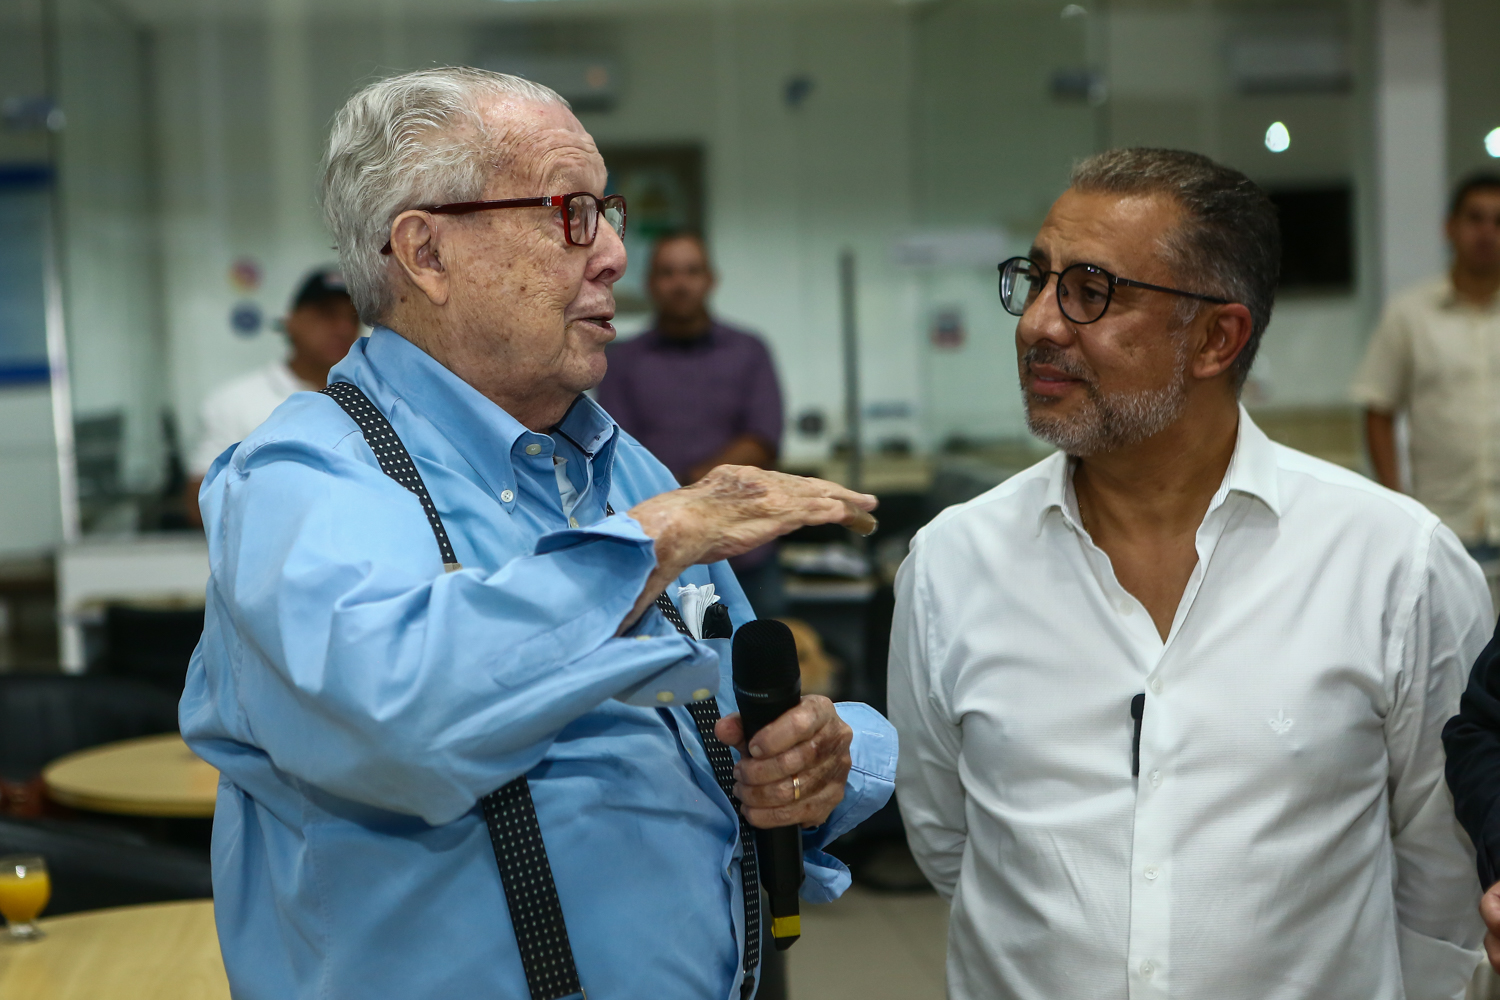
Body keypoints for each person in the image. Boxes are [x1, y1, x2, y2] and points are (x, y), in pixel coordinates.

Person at [179, 67, 895, 1000]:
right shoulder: (304, 473)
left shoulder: (624, 470)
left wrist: (814, 757)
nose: (614, 256)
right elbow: (398, 716)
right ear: (427, 253)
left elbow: (737, 710)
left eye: (608, 213)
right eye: (571, 213)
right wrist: (656, 539)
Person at [888, 148, 1487, 1000]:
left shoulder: (1395, 563)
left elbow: (1441, 878)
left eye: (1090, 290)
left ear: (1216, 338)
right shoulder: (954, 563)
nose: (1039, 325)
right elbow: (949, 840)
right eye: (1039, 278)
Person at [597, 233, 787, 617]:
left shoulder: (749, 351)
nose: (680, 283)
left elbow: (763, 439)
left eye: (691, 271)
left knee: (763, 652)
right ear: (650, 283)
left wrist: (688, 488)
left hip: (746, 552)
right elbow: (617, 451)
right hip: (658, 554)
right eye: (667, 273)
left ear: (710, 279)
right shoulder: (620, 362)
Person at [1353, 173, 1500, 561]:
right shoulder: (1409, 314)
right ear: (1450, 228)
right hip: (1443, 528)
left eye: (1498, 222)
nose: (1487, 232)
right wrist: (1397, 503)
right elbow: (1378, 407)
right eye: (1475, 218)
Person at [183, 267, 362, 526]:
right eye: (326, 314)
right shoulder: (234, 402)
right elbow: (199, 502)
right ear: (291, 322)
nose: (343, 328)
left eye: (353, 318)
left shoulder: (374, 400)